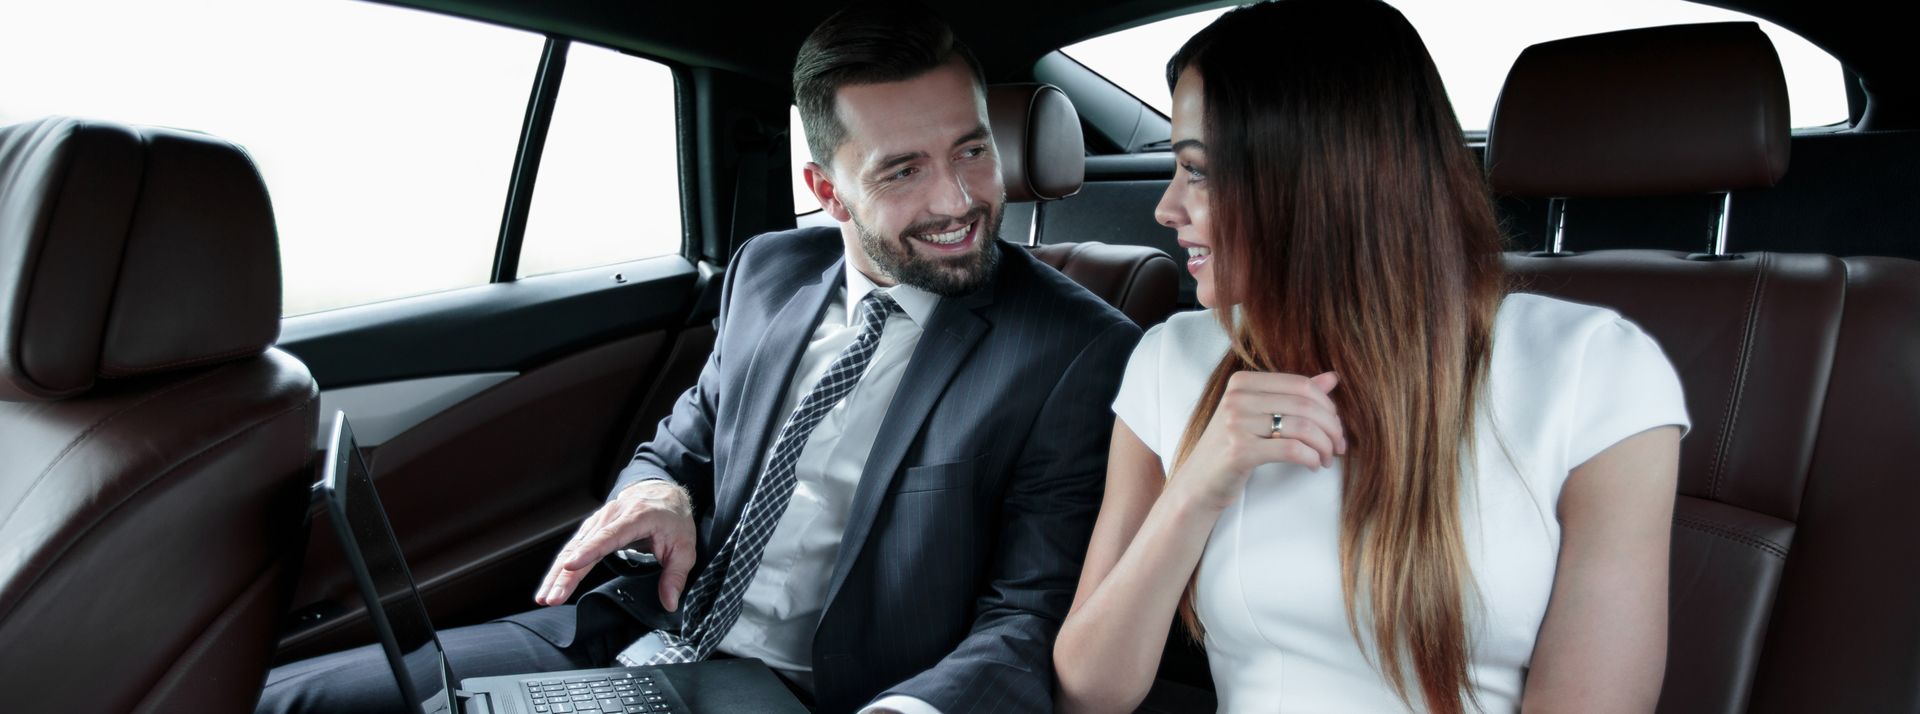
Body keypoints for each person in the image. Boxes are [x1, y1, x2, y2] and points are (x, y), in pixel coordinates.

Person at [257, 4, 1138, 713]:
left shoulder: (1076, 350)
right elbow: (681, 447)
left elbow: (1029, 616)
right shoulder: (769, 271)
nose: (957, 197)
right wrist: (660, 492)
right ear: (825, 190)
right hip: (626, 634)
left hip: (815, 690)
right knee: (279, 699)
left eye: (972, 150)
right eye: (902, 171)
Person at [1050, 2, 1689, 712]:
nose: (1167, 208)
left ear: (1316, 181)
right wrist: (1197, 486)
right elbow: (1090, 694)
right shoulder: (1170, 360)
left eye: (1198, 172)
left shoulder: (1594, 372)